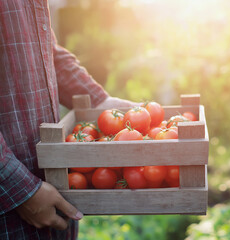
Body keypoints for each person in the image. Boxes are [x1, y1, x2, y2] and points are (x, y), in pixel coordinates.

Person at [0, 1, 138, 239]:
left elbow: (45, 52)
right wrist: (19, 188)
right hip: (9, 210)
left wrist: (98, 101)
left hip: (53, 196)